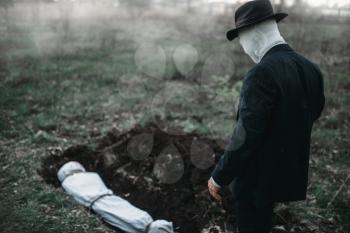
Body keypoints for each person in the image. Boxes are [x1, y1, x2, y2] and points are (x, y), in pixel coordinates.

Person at [207, 1, 325, 233]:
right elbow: (314, 111)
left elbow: (246, 134)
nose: (244, 47)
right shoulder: (311, 69)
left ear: (252, 34)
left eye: (242, 40)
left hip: (256, 181)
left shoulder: (261, 74)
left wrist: (219, 177)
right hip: (287, 172)